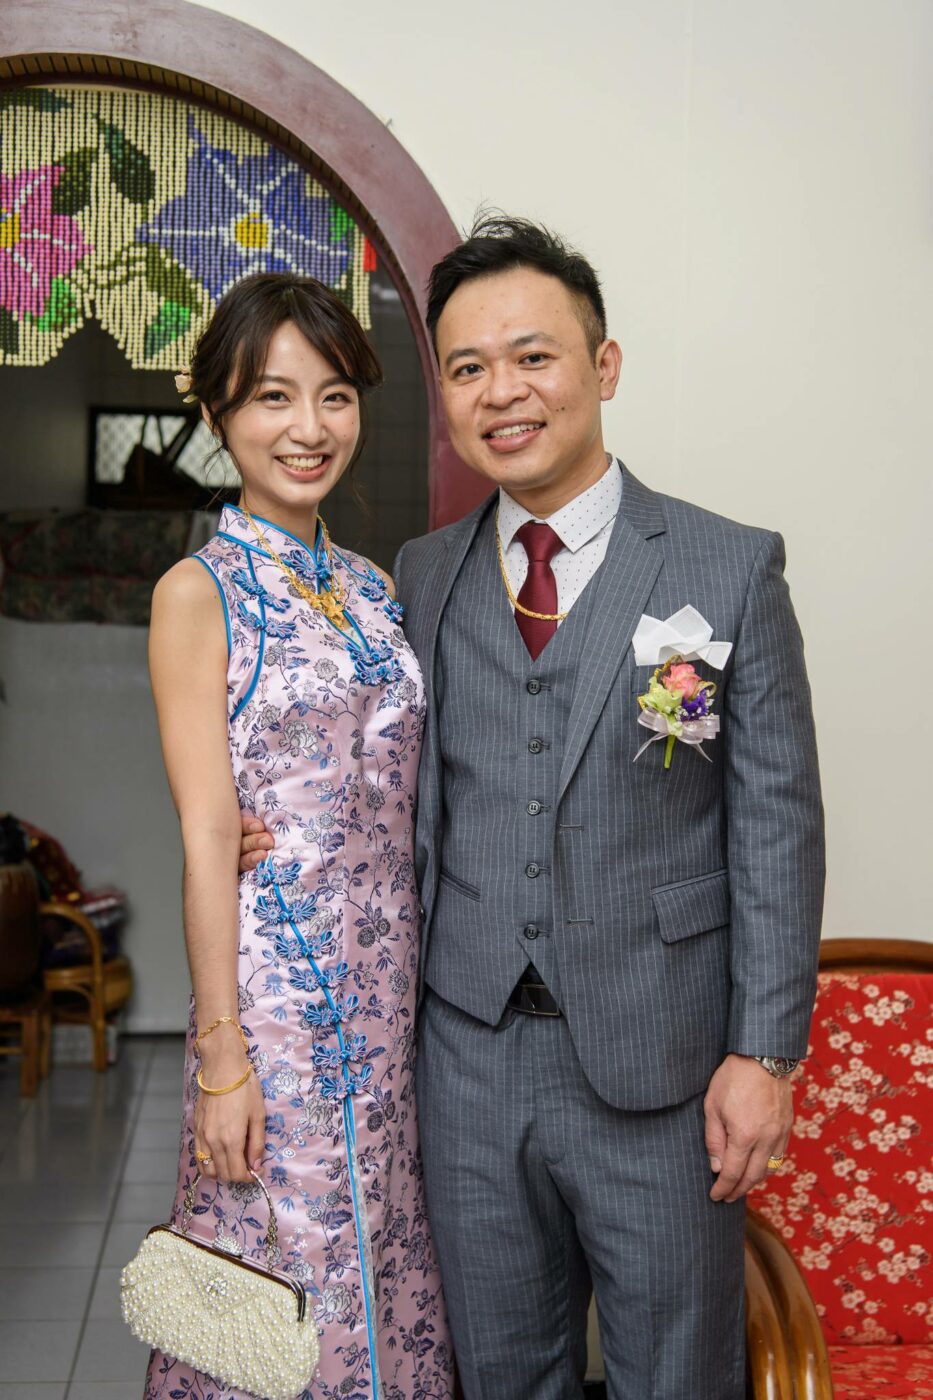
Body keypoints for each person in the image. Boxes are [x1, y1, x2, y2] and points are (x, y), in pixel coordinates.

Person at [239, 217, 825, 1400]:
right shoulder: (421, 574)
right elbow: (374, 764)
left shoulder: (727, 566)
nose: (501, 391)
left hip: (664, 1064)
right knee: (502, 1370)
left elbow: (777, 826)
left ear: (603, 366)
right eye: (468, 368)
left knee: (678, 1372)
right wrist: (273, 835)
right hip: (466, 1056)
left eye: (532, 356)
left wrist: (763, 1052)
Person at [146, 272, 453, 1400]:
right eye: (272, 397)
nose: (309, 427)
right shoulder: (199, 592)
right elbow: (205, 833)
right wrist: (222, 1052)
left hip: (390, 1003)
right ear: (218, 414)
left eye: (334, 395)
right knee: (279, 1278)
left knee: (383, 1255)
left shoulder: (371, 586)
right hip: (275, 1004)